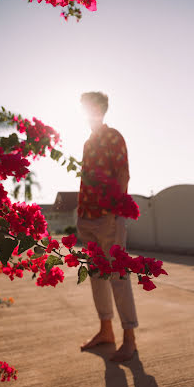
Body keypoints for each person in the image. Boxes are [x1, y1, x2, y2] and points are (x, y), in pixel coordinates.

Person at [77, 91, 138, 362]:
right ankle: (106, 331)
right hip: (88, 217)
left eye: (91, 107)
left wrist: (115, 211)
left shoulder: (114, 136)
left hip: (108, 217)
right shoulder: (88, 142)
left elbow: (123, 174)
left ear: (101, 109)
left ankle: (130, 339)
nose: (88, 111)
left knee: (118, 277)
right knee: (97, 278)